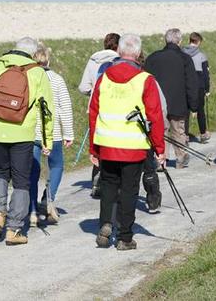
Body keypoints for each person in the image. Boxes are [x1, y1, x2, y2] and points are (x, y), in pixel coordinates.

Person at [0, 37, 54, 246]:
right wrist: (48, 141)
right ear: (34, 53)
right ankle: (14, 229)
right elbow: (47, 111)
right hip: (22, 133)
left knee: (0, 171)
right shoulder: (37, 73)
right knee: (21, 180)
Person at [89, 33, 166, 250]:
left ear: (119, 52)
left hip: (107, 144)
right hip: (133, 147)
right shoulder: (145, 80)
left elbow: (93, 112)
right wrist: (159, 149)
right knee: (129, 190)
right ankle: (124, 237)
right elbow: (155, 116)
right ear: (139, 54)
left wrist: (93, 148)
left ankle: (105, 224)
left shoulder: (104, 78)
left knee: (108, 186)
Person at [28, 43, 74, 226]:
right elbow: (65, 107)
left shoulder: (29, 77)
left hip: (32, 132)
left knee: (32, 171)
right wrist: (68, 133)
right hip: (52, 132)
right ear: (48, 60)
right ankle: (49, 197)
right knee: (56, 166)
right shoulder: (56, 79)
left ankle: (31, 209)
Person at [144, 29, 200, 169]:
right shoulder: (185, 59)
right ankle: (180, 157)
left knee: (160, 131)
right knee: (178, 131)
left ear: (165, 40)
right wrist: (194, 105)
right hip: (178, 102)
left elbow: (145, 80)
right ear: (180, 41)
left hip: (157, 102)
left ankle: (160, 159)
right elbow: (191, 84)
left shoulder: (152, 58)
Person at [78, 33, 120, 198]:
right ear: (118, 46)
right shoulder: (118, 60)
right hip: (114, 108)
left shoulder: (93, 60)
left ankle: (96, 180)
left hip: (95, 108)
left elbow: (83, 87)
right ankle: (112, 181)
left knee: (97, 145)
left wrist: (93, 92)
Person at [182, 32, 211, 143]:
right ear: (198, 42)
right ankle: (203, 134)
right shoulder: (202, 55)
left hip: (185, 85)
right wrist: (207, 89)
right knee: (200, 110)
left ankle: (184, 136)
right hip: (198, 86)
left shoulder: (182, 53)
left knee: (186, 111)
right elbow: (205, 74)